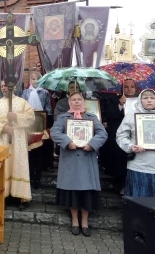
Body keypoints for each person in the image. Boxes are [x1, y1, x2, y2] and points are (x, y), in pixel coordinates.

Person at [50, 92, 107, 237]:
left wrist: (92, 144)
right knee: (73, 192)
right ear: (69, 102)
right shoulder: (63, 118)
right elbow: (54, 132)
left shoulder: (92, 118)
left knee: (86, 192)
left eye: (79, 99)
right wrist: (67, 142)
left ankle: (85, 222)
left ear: (83, 101)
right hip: (70, 161)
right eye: (73, 100)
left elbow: (102, 134)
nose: (76, 102)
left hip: (87, 160)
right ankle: (75, 221)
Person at [0, 80, 35, 209]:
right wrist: (3, 127)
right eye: (2, 86)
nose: (4, 88)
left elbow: (31, 118)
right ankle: (1, 195)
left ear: (13, 87)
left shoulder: (22, 102)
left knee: (18, 164)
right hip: (2, 140)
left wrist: (16, 117)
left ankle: (20, 196)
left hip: (18, 139)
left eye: (6, 86)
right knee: (3, 166)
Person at [116, 89, 155, 198]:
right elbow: (121, 136)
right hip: (140, 166)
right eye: (145, 98)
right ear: (140, 100)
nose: (149, 101)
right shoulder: (132, 115)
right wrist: (131, 146)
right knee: (140, 203)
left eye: (152, 98)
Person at [100, 79, 139, 195]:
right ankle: (119, 184)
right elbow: (110, 116)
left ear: (136, 88)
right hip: (118, 134)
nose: (129, 89)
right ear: (122, 88)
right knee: (119, 160)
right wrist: (121, 105)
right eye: (126, 87)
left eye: (132, 87)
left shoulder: (140, 100)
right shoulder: (114, 100)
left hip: (135, 134)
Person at [21, 71, 54, 189]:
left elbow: (48, 109)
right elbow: (22, 108)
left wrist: (45, 122)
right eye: (32, 79)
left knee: (39, 153)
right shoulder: (25, 93)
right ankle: (29, 178)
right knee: (29, 154)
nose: (34, 81)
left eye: (36, 79)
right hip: (27, 127)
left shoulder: (44, 93)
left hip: (40, 125)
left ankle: (38, 179)